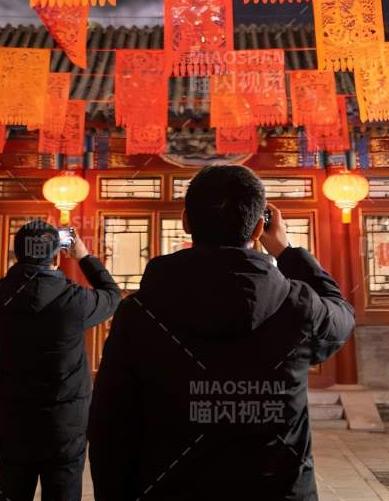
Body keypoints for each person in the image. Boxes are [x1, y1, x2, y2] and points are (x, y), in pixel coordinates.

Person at [88, 163, 355, 500]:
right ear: (259, 227)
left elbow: (109, 424)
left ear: (186, 222)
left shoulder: (139, 312)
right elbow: (342, 315)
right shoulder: (300, 307)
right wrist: (287, 253)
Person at [0, 218, 121, 501]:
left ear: (17, 253)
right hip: (65, 424)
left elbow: (16, 282)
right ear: (57, 254)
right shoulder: (76, 302)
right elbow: (112, 295)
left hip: (15, 420)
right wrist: (84, 257)